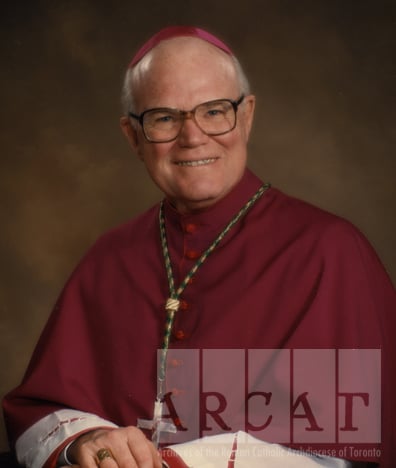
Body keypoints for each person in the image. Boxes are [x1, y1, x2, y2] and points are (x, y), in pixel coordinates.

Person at [3, 26, 396, 468]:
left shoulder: (330, 251)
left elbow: (340, 451)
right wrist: (88, 440)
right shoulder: (108, 258)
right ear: (133, 137)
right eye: (165, 118)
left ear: (246, 116)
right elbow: (41, 408)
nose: (192, 137)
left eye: (213, 111)